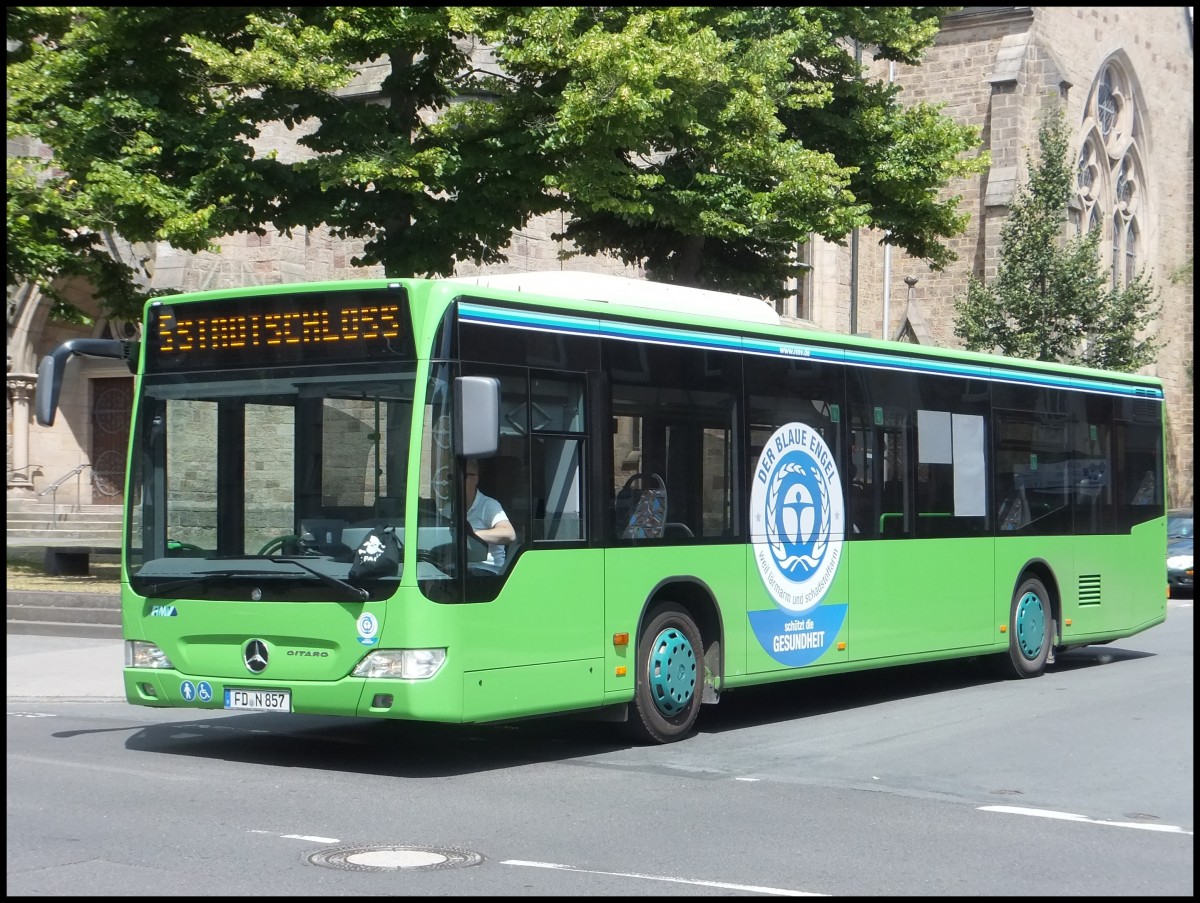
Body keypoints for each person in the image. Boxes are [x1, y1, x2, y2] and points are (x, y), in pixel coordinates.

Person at [464, 458, 516, 570]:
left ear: (476, 479)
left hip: (485, 569)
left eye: (465, 476)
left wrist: (471, 536)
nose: (459, 480)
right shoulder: (449, 507)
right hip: (456, 570)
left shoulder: (488, 505)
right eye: (452, 477)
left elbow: (509, 534)